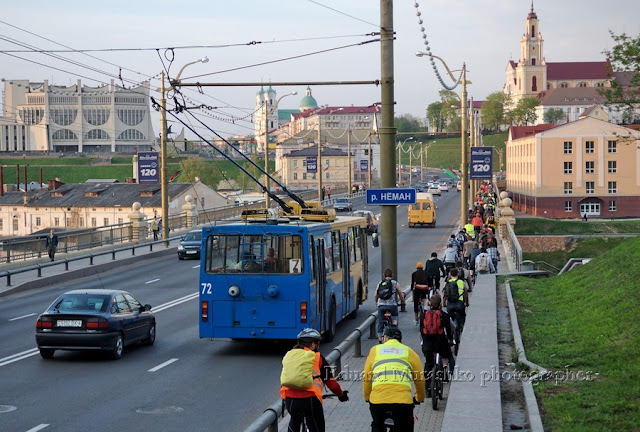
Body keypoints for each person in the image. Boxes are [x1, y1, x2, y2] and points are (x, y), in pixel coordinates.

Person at [280, 328, 349, 432]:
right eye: (317, 343)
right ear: (312, 345)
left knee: (294, 420)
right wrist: (340, 394)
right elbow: (331, 382)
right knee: (317, 426)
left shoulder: (290, 355)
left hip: (290, 399)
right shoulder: (317, 357)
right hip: (310, 400)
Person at [363, 326, 425, 432]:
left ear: (385, 338)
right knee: (405, 426)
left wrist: (367, 396)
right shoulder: (409, 352)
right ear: (400, 340)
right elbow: (419, 379)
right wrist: (419, 398)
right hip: (402, 402)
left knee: (377, 425)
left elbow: (367, 377)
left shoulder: (375, 350)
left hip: (378, 400)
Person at [420, 294, 453, 397]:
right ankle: (445, 371)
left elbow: (421, 330)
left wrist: (424, 340)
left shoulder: (423, 315)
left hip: (427, 344)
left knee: (428, 363)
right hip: (440, 343)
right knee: (447, 355)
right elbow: (448, 330)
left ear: (429, 303)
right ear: (440, 304)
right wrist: (451, 340)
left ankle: (427, 389)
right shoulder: (444, 315)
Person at [375, 268, 405, 343]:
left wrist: (377, 303)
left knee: (381, 322)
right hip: (392, 305)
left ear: (384, 275)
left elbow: (375, 295)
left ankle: (380, 338)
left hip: (381, 305)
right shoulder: (395, 283)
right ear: (392, 275)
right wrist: (403, 302)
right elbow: (401, 295)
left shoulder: (380, 283)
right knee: (395, 315)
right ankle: (394, 330)